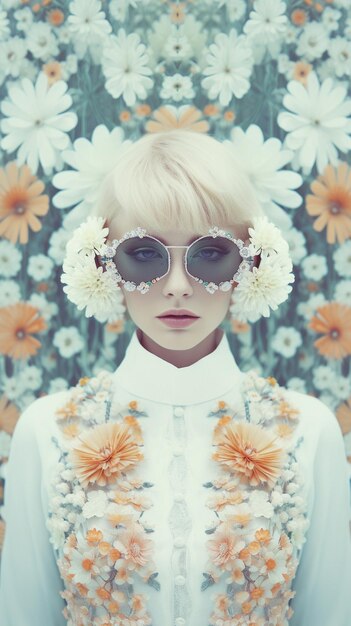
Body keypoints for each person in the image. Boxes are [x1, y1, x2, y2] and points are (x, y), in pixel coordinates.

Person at [0, 129, 350, 626]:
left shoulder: (308, 432)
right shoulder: (47, 431)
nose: (179, 287)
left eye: (210, 252)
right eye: (145, 254)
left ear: (250, 261)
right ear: (103, 262)